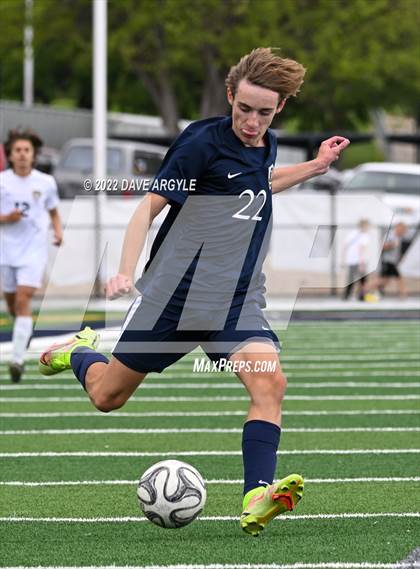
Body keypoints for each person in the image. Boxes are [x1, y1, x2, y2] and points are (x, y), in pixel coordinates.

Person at [39, 48, 349, 536]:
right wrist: (124, 271)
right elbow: (148, 207)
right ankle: (79, 352)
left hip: (235, 300)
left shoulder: (264, 142)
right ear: (230, 96)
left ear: (279, 109)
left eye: (263, 113)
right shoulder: (199, 144)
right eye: (244, 108)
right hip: (174, 298)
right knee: (107, 397)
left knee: (271, 383)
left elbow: (258, 184)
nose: (251, 121)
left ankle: (256, 498)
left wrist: (314, 166)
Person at [0, 129, 63, 382]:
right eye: (18, 150)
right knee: (13, 305)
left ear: (33, 154)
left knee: (24, 299)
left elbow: (54, 211)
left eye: (27, 150)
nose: (23, 155)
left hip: (33, 251)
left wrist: (58, 232)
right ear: (10, 155)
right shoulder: (2, 181)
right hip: (6, 250)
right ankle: (23, 332)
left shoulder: (46, 182)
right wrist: (7, 218)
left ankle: (17, 360)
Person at [342, 219, 370, 301]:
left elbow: (345, 246)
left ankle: (346, 296)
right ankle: (362, 296)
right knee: (363, 280)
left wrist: (343, 259)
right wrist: (361, 263)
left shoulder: (353, 233)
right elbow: (360, 249)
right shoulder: (364, 236)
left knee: (351, 279)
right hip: (359, 261)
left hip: (351, 260)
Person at [378, 222, 408, 298]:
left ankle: (366, 289)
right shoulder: (390, 235)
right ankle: (403, 296)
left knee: (384, 281)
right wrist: (392, 245)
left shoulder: (398, 237)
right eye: (402, 230)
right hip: (388, 261)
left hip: (392, 261)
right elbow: (383, 246)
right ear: (398, 228)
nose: (403, 232)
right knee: (399, 279)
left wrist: (400, 257)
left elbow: (397, 250)